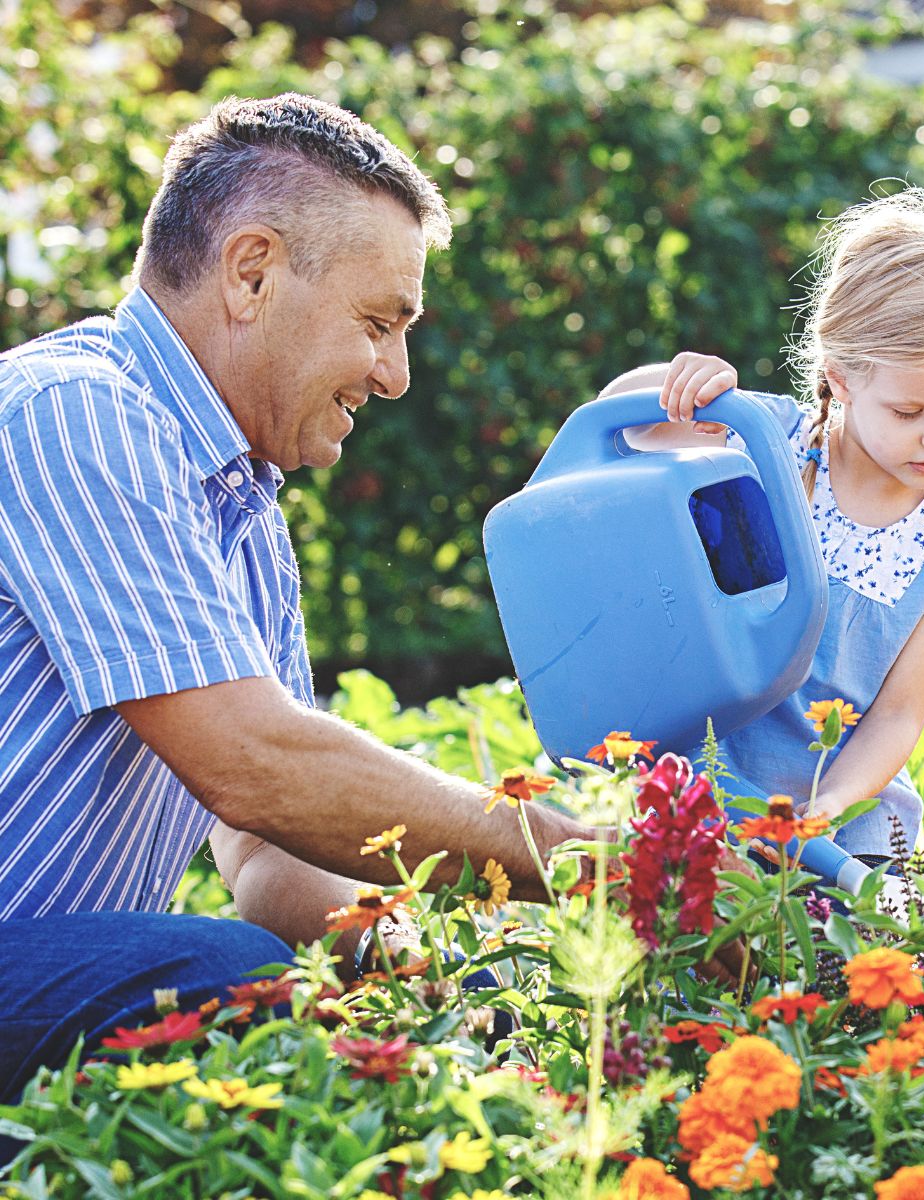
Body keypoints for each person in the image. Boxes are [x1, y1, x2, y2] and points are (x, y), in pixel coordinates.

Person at [0, 93, 588, 1105]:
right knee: (220, 983)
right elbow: (255, 766)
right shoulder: (76, 416)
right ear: (252, 271)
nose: (395, 375)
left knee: (383, 1002)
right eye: (377, 323)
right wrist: (582, 863)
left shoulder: (246, 517)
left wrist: (421, 983)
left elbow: (270, 849)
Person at [602, 187, 924, 866]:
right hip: (707, 802)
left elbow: (897, 717)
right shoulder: (763, 441)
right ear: (841, 378)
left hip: (844, 838)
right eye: (910, 410)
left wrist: (826, 812)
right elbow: (618, 428)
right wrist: (681, 382)